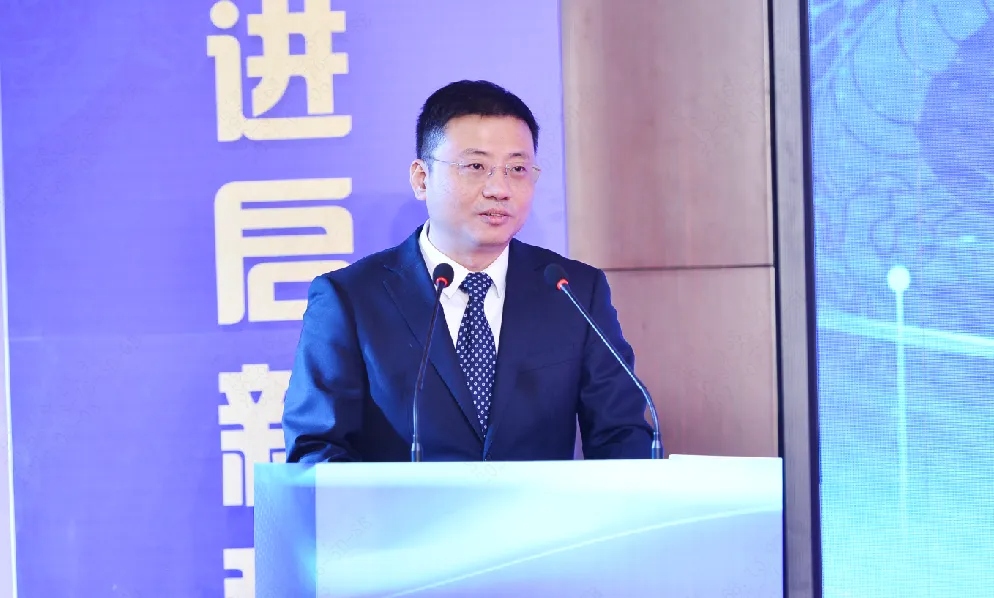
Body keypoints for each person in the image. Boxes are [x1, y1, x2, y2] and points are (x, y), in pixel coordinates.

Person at [282, 80, 656, 462]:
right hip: (404, 505)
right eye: (476, 166)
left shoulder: (573, 292)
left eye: (517, 168)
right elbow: (316, 448)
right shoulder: (351, 299)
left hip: (542, 505)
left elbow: (622, 435)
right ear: (422, 178)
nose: (499, 189)